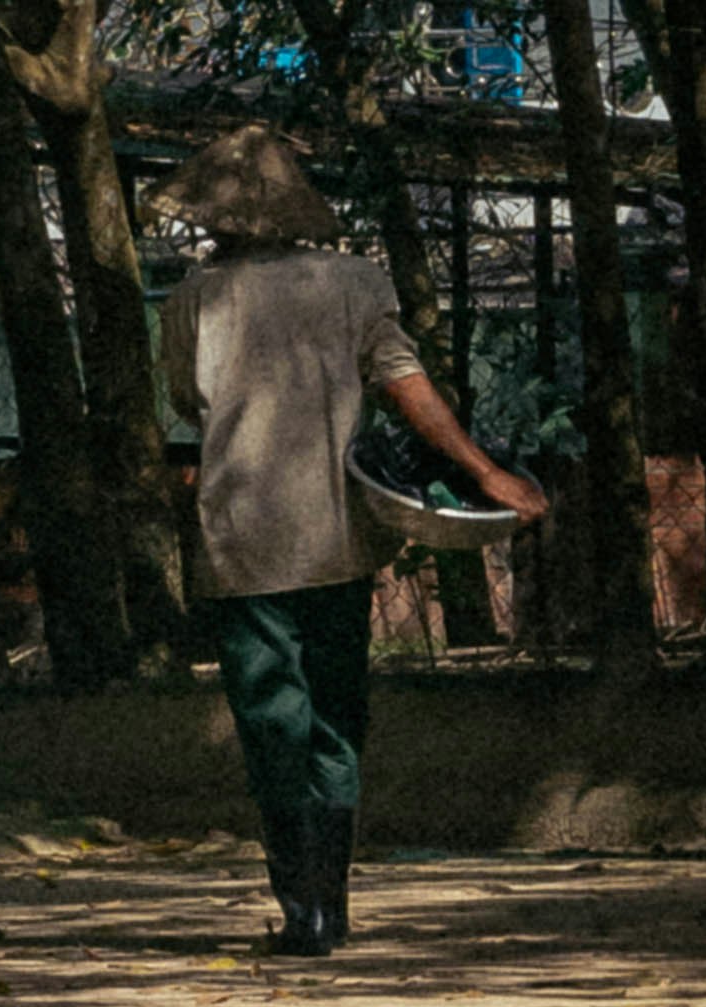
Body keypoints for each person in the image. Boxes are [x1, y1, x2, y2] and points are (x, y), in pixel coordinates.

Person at [154, 126, 547, 957]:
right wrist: (484, 472)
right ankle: (332, 906)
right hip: (337, 534)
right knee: (336, 720)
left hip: (242, 540)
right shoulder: (355, 281)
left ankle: (302, 912)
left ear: (213, 215)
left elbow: (189, 400)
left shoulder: (194, 298)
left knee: (272, 727)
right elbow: (407, 384)